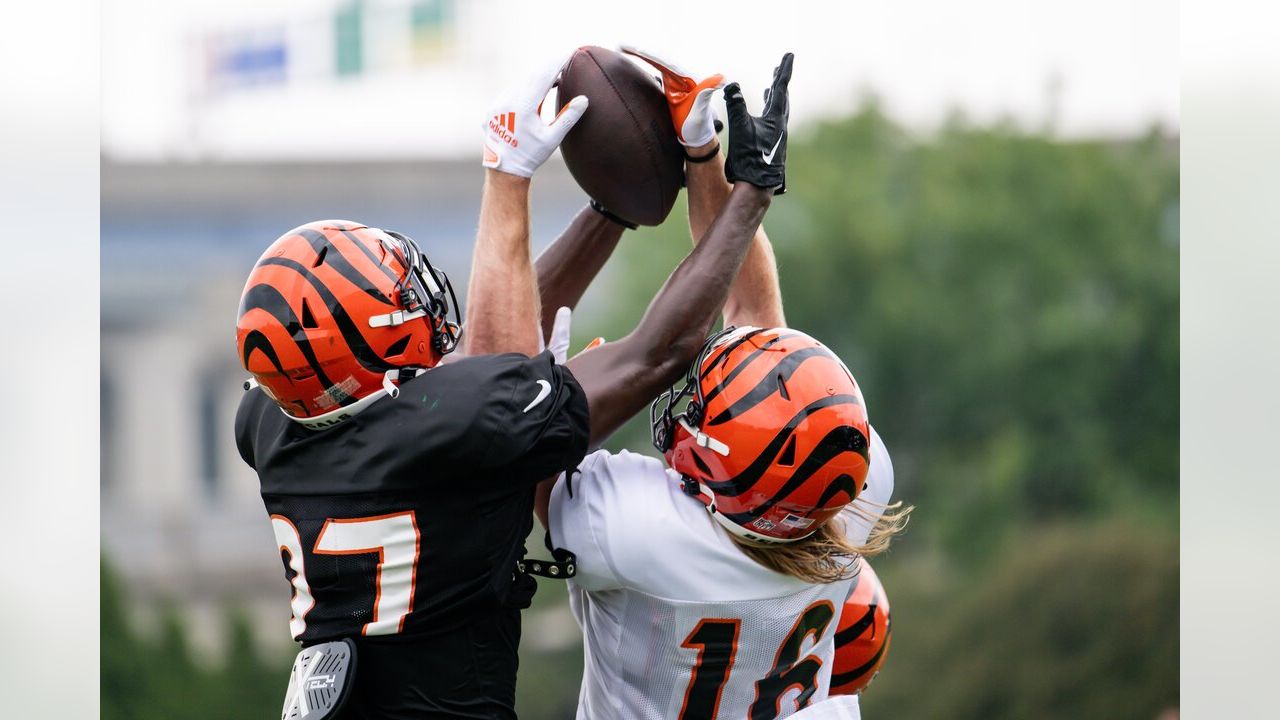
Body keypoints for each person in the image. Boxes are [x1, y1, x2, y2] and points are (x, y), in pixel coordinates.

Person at [234, 49, 796, 719]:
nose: (424, 306)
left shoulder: (272, 422)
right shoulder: (449, 428)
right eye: (400, 303)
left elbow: (476, 370)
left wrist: (610, 210)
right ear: (366, 355)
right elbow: (660, 352)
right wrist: (747, 200)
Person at [525, 49, 911, 720]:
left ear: (717, 462)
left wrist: (538, 365)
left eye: (705, 405)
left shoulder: (642, 533)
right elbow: (758, 324)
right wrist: (703, 157)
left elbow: (523, 446)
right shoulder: (849, 488)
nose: (693, 398)